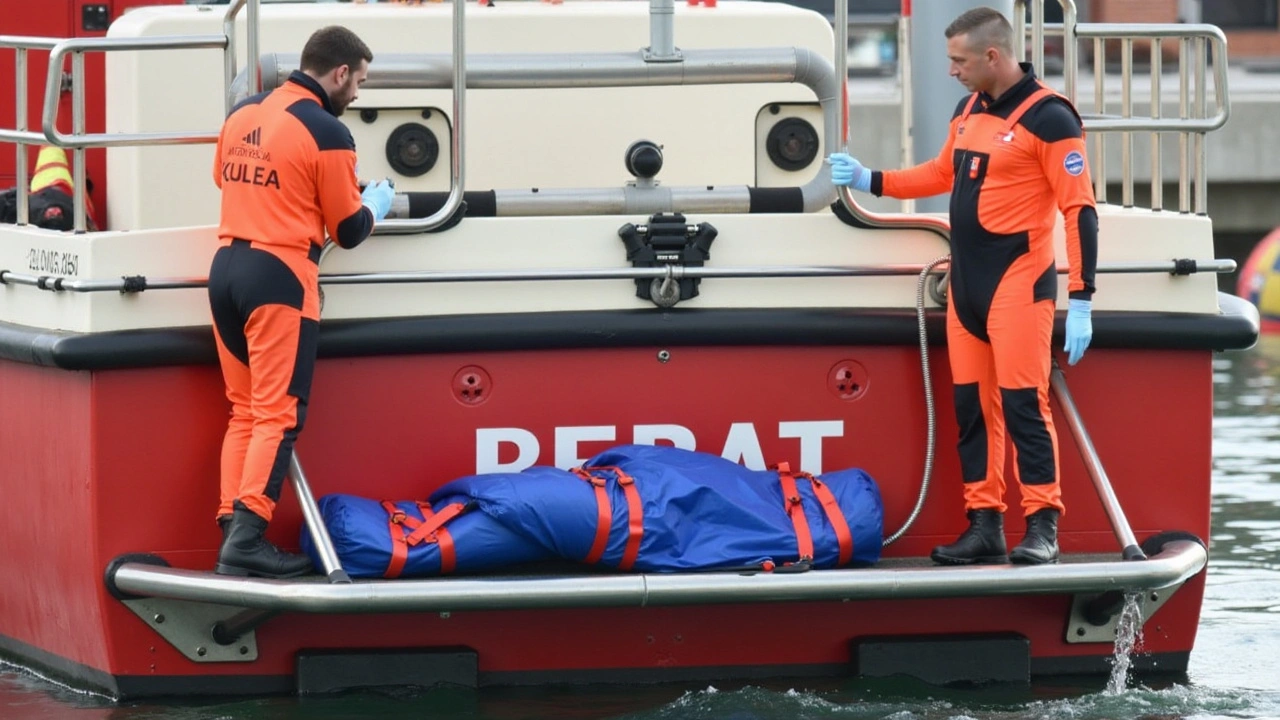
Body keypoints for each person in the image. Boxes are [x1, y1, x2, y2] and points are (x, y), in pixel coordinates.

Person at [830, 6, 1097, 566]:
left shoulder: (1051, 119)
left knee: (1025, 408)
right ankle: (985, 525)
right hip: (968, 287)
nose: (951, 70)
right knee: (972, 409)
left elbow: (1080, 211)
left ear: (992, 56)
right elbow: (939, 172)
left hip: (1018, 285)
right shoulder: (969, 107)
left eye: (959, 60)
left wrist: (1082, 299)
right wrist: (870, 179)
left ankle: (1043, 525)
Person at [209, 25, 395, 578]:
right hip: (281, 280)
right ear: (340, 74)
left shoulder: (243, 113)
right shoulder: (329, 132)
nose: (357, 94)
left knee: (243, 411)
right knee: (277, 414)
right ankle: (248, 535)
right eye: (358, 82)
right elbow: (349, 227)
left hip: (225, 269)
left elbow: (226, 179)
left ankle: (230, 529)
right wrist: (377, 205)